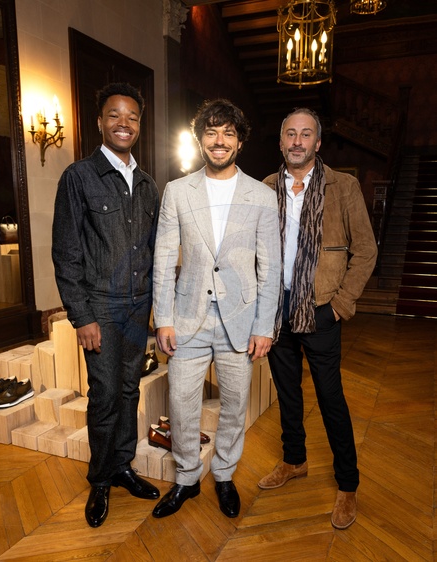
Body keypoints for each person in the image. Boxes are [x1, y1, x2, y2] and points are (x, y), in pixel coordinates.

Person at [151, 99, 281, 519]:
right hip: (188, 317)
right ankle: (187, 477)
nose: (219, 140)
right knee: (181, 403)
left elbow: (271, 267)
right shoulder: (177, 191)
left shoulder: (262, 196)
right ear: (200, 140)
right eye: (211, 132)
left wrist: (264, 325)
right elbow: (163, 259)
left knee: (235, 404)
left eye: (228, 132)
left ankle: (224, 474)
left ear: (239, 142)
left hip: (240, 320)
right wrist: (163, 319)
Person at [258, 108, 377, 530]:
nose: (297, 141)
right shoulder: (266, 187)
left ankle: (348, 484)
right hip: (278, 309)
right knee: (287, 393)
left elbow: (366, 250)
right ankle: (295, 460)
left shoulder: (343, 187)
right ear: (281, 142)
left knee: (330, 398)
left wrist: (341, 304)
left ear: (318, 142)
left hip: (322, 308)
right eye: (290, 133)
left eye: (305, 134)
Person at [52, 82, 160, 528]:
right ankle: (100, 479)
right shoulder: (78, 177)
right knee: (105, 393)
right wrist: (82, 316)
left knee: (130, 388)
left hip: (138, 307)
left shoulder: (149, 185)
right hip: (100, 306)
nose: (124, 123)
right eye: (114, 115)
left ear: (139, 125)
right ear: (100, 122)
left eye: (132, 117)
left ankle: (122, 465)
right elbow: (66, 252)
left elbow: (155, 251)